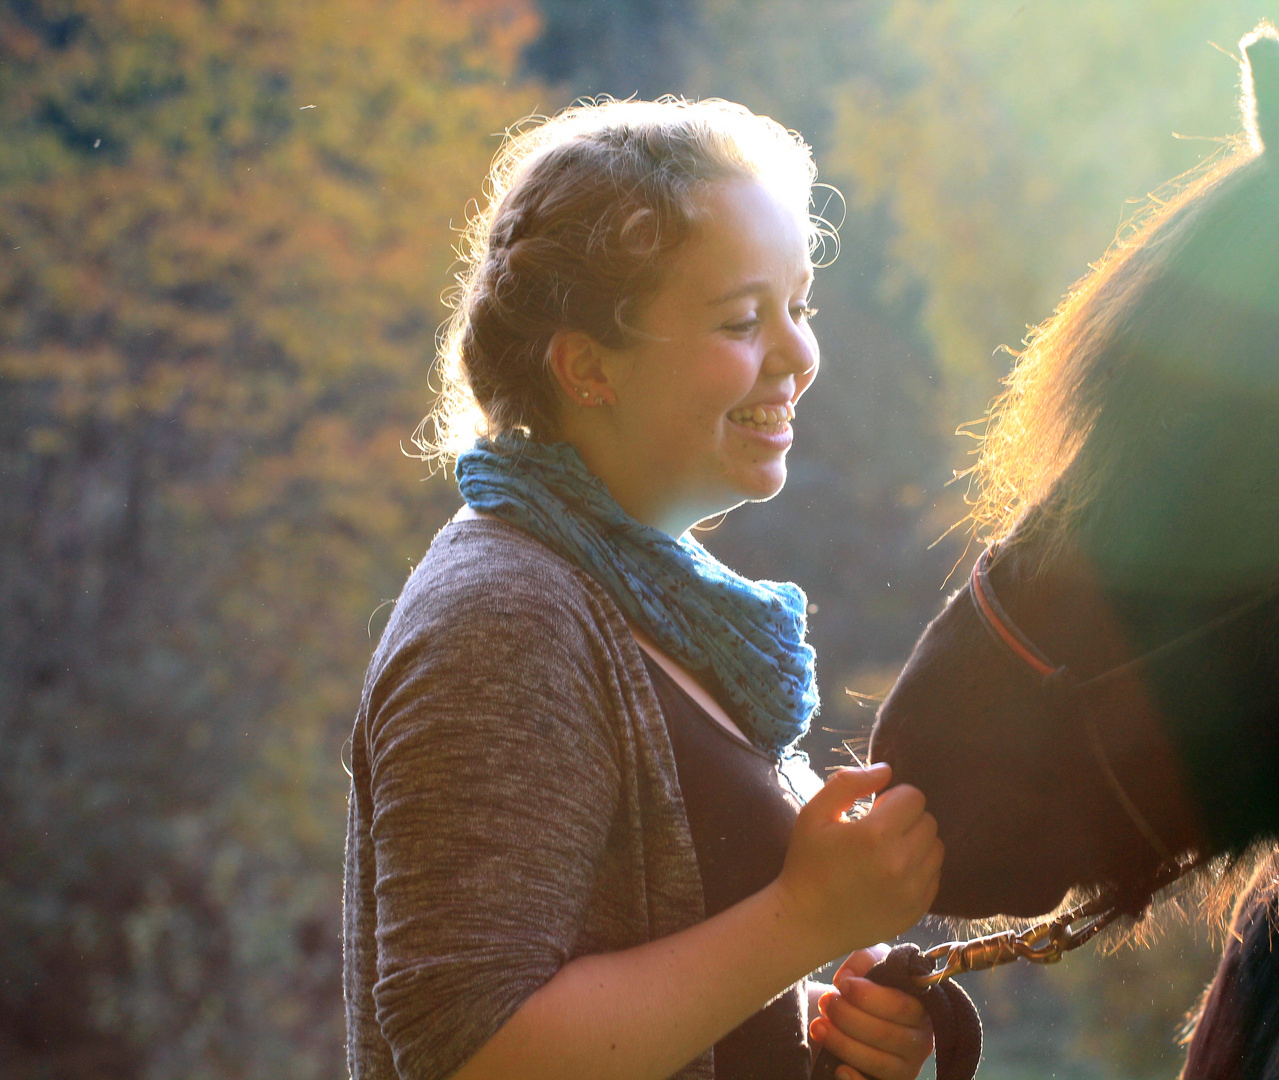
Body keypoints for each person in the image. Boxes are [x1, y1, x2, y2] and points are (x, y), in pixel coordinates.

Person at [342, 97, 945, 1080]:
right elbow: (474, 1054)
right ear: (587, 367)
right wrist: (804, 921)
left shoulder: (647, 605)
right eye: (743, 319)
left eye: (801, 306)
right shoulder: (507, 615)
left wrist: (832, 1043)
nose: (798, 355)